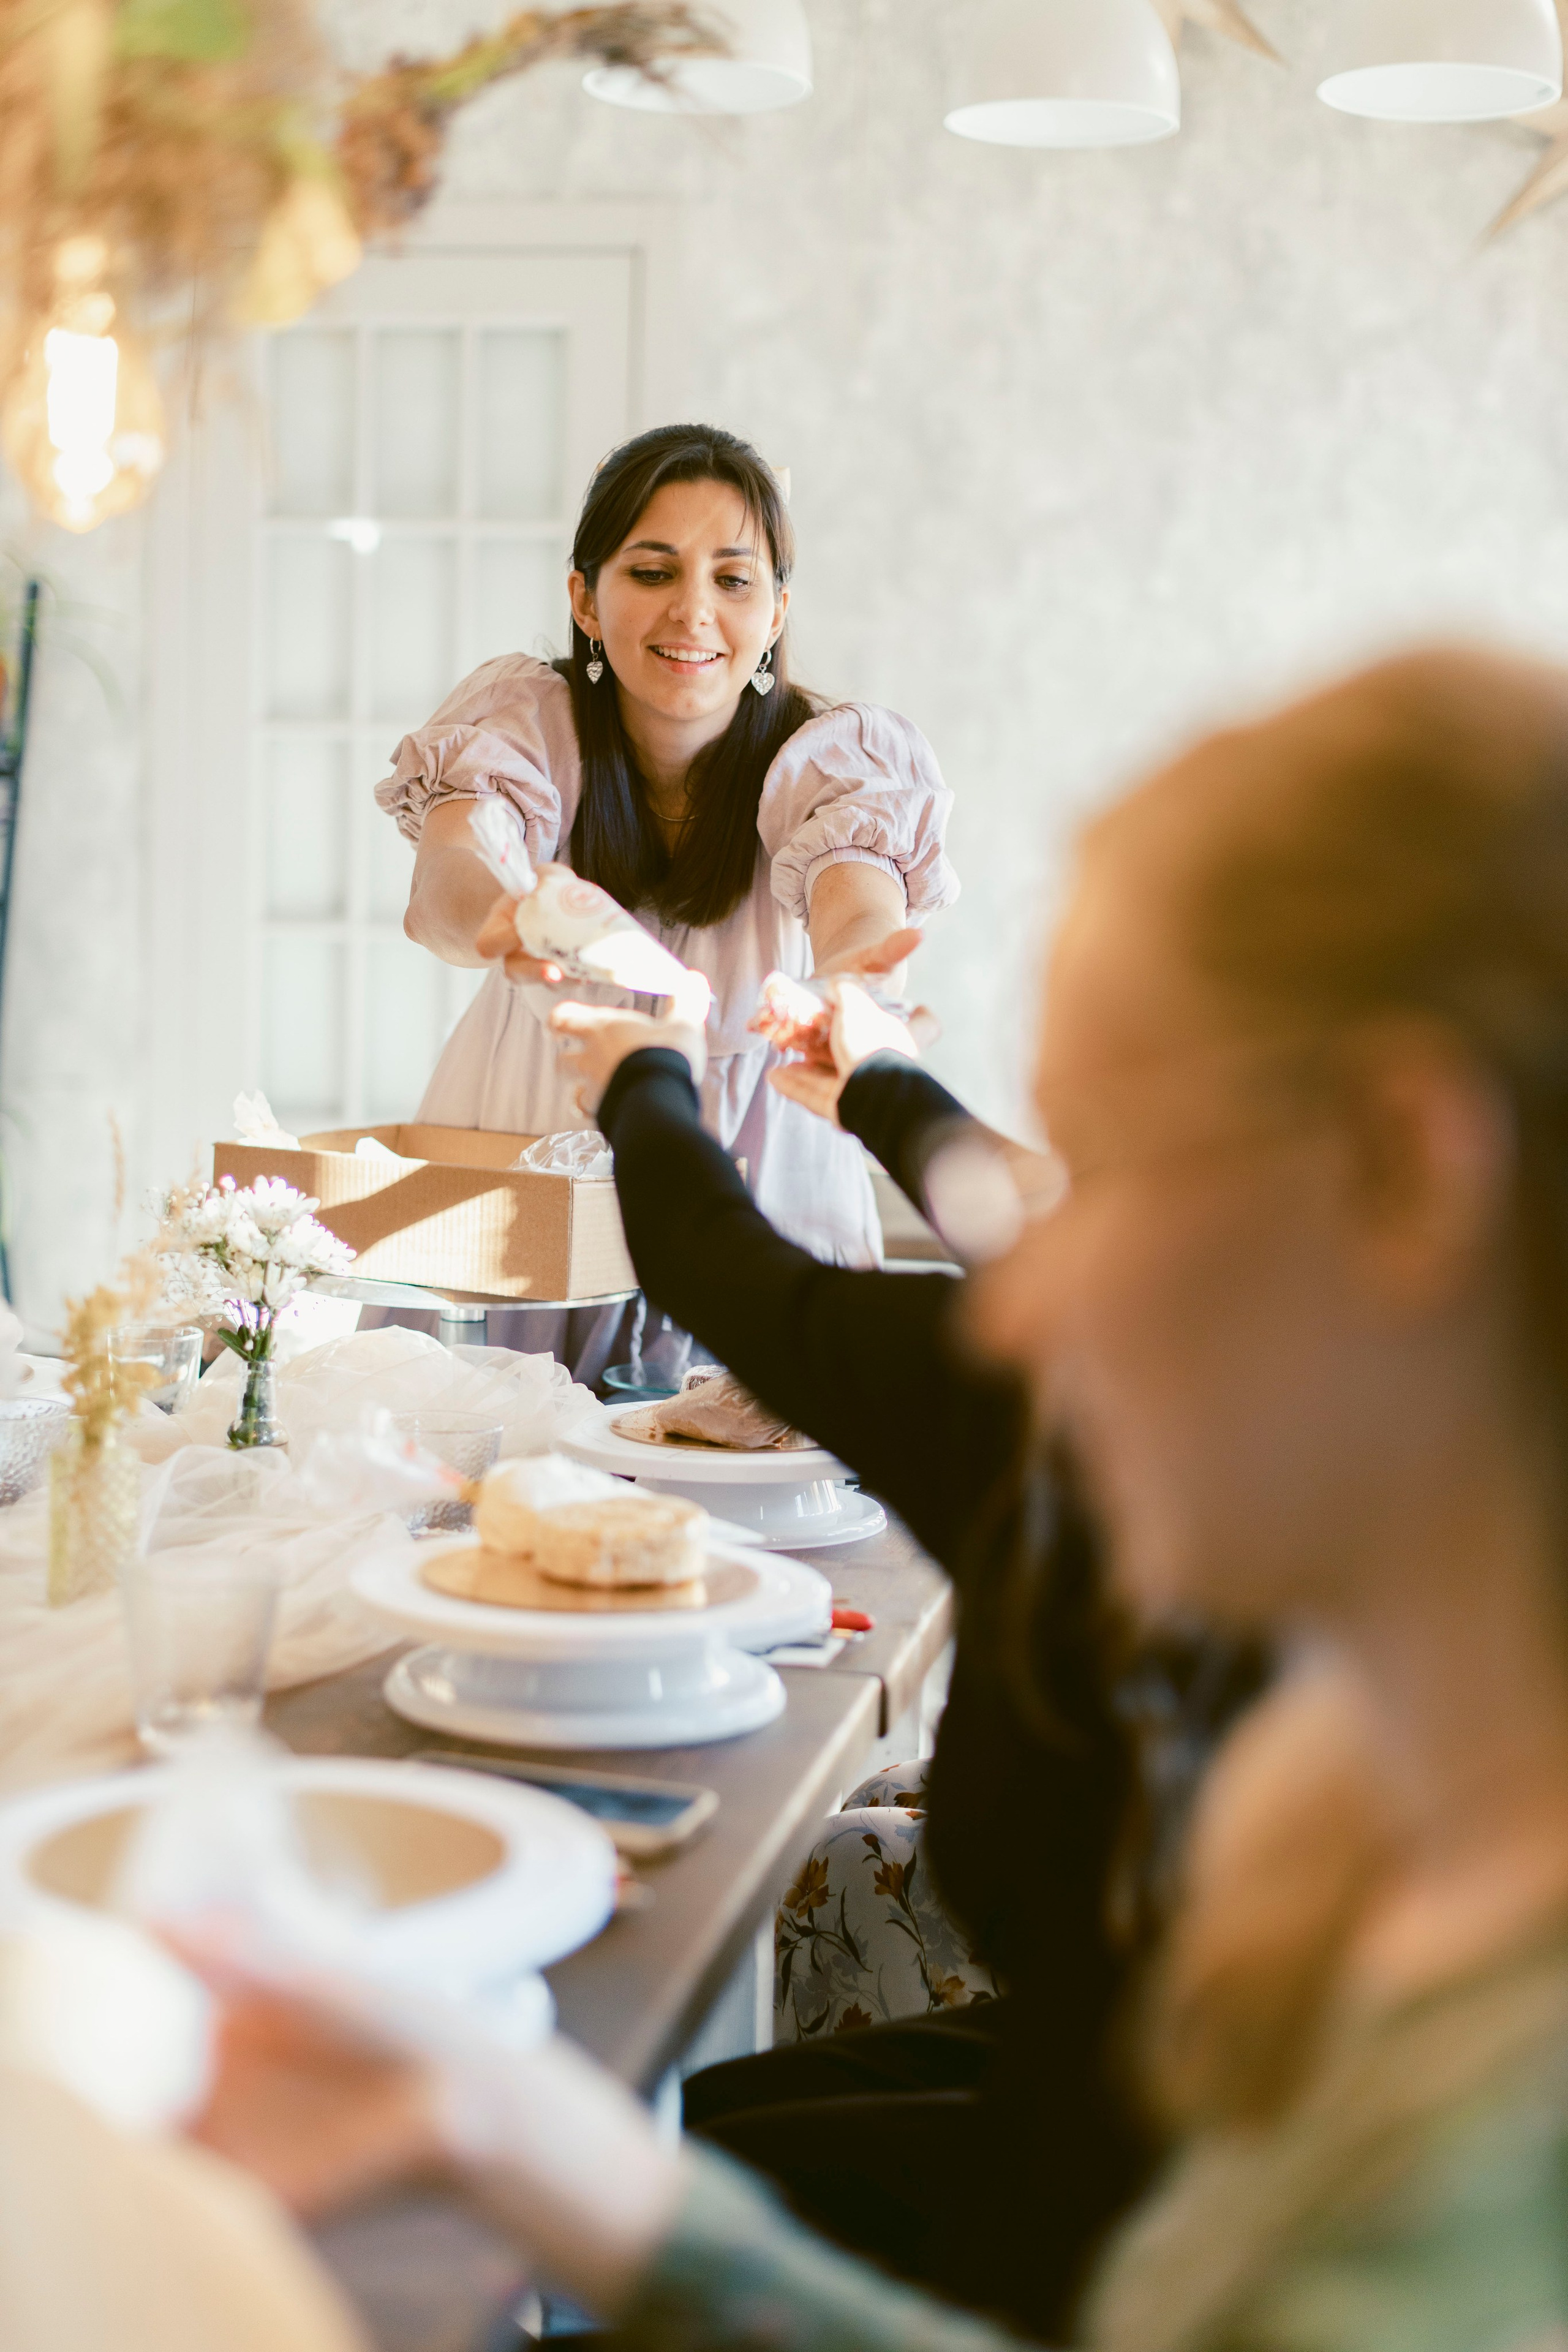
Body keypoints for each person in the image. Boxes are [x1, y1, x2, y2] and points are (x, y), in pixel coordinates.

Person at [188, 643, 1568, 2352]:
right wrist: (517, 2136)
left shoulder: (1491, 2195)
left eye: (1106, 1159)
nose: (1024, 1303)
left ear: (1406, 1168)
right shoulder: (1378, 1828)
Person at [375, 421, 958, 1270]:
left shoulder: (833, 759)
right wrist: (508, 918)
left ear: (776, 613)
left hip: (759, 1163)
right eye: (653, 573)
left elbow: (858, 904)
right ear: (585, 600)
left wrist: (851, 983)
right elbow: (446, 880)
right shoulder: (524, 723)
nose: (694, 611)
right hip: (531, 1137)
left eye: (733, 580)